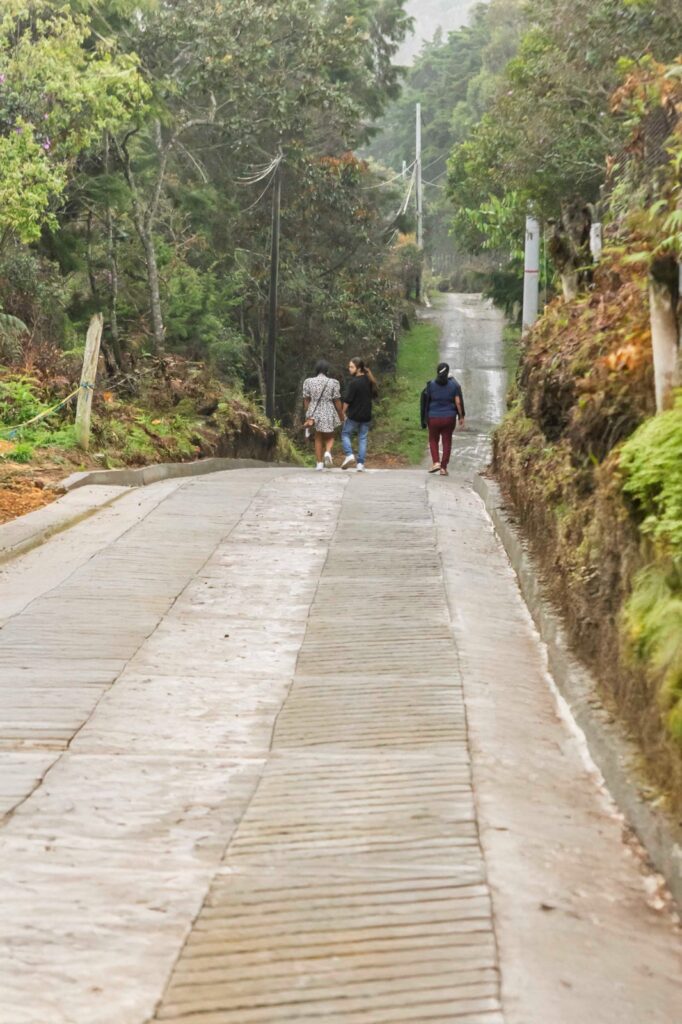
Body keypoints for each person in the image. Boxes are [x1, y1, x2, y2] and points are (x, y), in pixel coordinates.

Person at [421, 362, 465, 476]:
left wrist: (424, 418)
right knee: (447, 442)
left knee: (433, 439)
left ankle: (436, 462)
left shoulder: (431, 385)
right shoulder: (453, 385)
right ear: (447, 372)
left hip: (433, 417)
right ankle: (443, 468)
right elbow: (458, 402)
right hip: (449, 418)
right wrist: (461, 416)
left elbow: (425, 401)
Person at [302, 360, 344, 471]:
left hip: (313, 411)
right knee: (330, 436)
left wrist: (308, 414)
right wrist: (341, 414)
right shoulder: (333, 382)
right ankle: (328, 452)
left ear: (316, 369)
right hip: (328, 410)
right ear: (327, 370)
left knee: (318, 437)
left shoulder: (308, 381)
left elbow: (306, 399)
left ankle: (319, 464)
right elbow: (337, 400)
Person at [340, 357, 378, 472]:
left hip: (354, 415)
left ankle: (349, 454)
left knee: (345, 434)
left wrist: (342, 413)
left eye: (351, 367)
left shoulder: (354, 383)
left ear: (359, 368)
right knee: (362, 438)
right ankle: (360, 464)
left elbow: (347, 401)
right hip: (366, 415)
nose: (349, 369)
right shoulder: (369, 380)